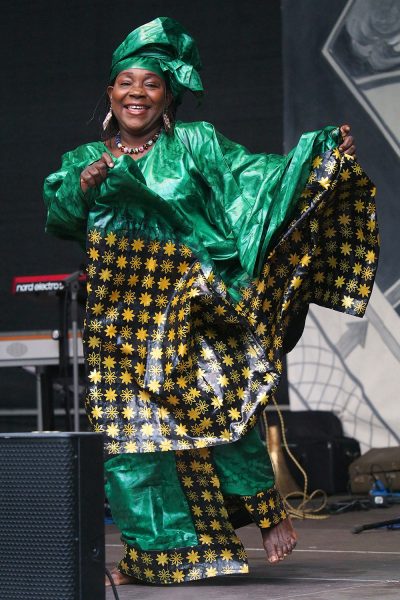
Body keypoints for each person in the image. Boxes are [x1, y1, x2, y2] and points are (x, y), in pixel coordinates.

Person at [43, 17, 377, 587]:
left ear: (167, 95)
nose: (137, 93)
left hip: (192, 307)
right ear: (110, 92)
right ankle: (154, 557)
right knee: (133, 443)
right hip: (120, 324)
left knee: (219, 413)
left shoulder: (195, 144)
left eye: (150, 84)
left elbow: (258, 179)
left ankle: (266, 513)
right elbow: (60, 219)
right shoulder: (82, 160)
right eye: (126, 82)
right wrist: (84, 187)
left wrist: (318, 156)